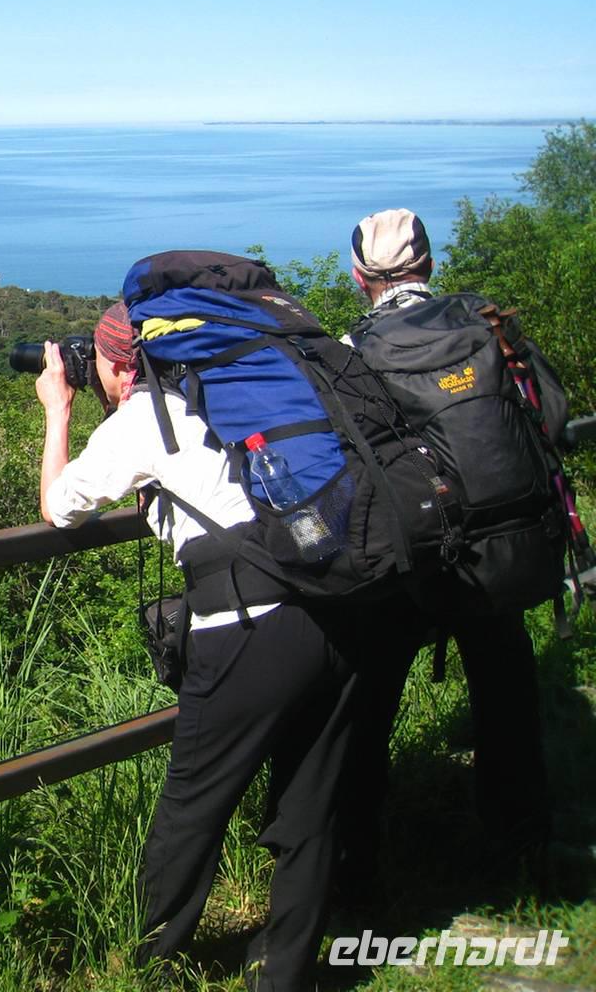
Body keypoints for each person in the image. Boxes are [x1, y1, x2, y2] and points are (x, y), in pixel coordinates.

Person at [37, 301, 362, 991]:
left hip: (245, 631)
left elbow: (59, 505)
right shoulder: (241, 395)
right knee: (310, 804)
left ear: (120, 366)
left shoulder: (144, 420)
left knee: (191, 810)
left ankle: (152, 962)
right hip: (333, 611)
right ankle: (286, 969)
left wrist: (58, 409)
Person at [337, 208, 552, 891]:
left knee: (369, 701)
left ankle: (359, 858)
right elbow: (548, 412)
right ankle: (522, 840)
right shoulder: (486, 323)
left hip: (418, 559)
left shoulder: (355, 348)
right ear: (430, 264)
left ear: (359, 275)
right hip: (503, 546)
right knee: (506, 689)